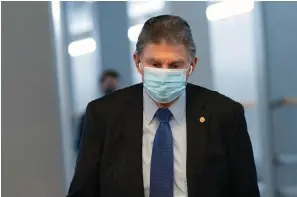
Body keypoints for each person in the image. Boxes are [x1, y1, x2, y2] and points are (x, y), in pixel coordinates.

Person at [67, 15, 260, 197]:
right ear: (138, 62)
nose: (164, 74)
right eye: (155, 64)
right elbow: (83, 192)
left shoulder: (224, 115)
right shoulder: (103, 115)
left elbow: (245, 191)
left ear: (191, 65)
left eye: (175, 65)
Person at [75, 69, 120, 152]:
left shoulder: (125, 111)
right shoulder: (91, 113)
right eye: (108, 83)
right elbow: (81, 143)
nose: (110, 86)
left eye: (112, 83)